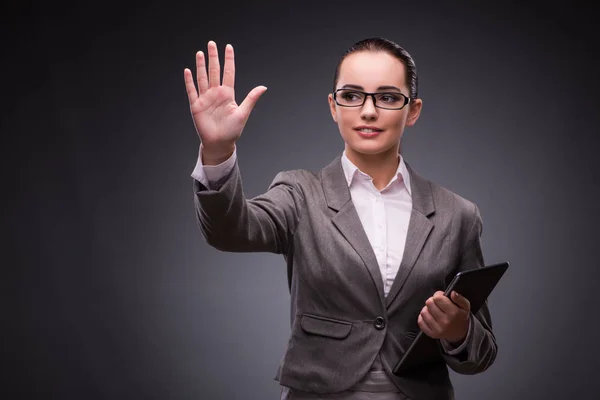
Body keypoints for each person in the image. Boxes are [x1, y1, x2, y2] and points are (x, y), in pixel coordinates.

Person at [183, 38, 497, 400]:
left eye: (388, 97)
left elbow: (482, 353)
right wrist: (218, 152)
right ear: (334, 106)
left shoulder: (458, 215)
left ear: (413, 111)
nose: (368, 111)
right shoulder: (300, 193)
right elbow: (229, 231)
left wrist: (459, 331)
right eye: (351, 95)